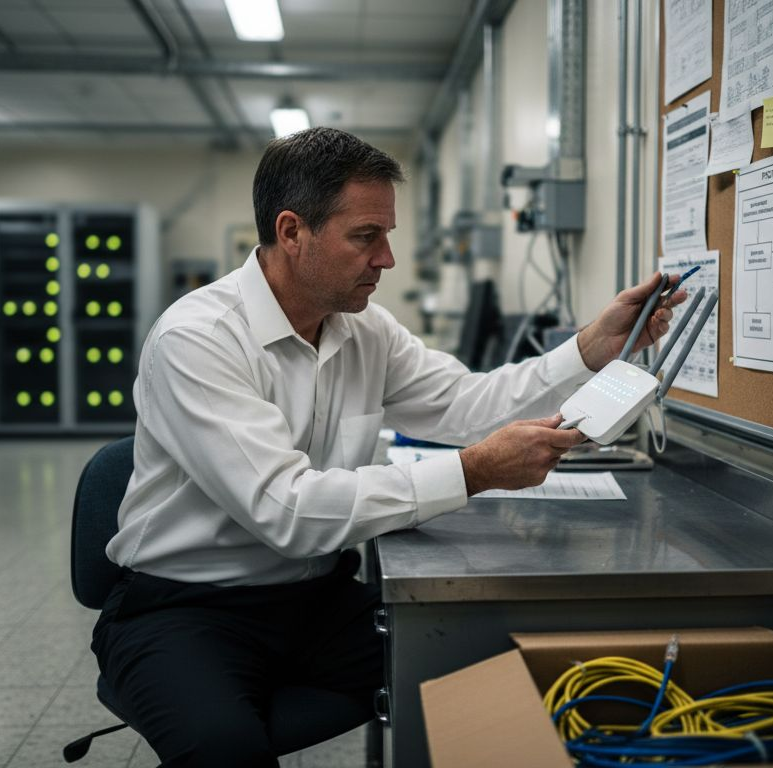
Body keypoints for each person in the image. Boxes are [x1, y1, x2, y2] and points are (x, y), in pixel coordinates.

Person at [92, 127, 686, 767]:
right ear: (292, 232)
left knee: (479, 666)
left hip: (311, 600)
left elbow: (464, 403)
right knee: (224, 750)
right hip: (183, 608)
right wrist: (474, 471)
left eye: (387, 236)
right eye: (365, 237)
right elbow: (288, 510)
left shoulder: (363, 329)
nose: (387, 260)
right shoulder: (197, 340)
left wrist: (589, 347)